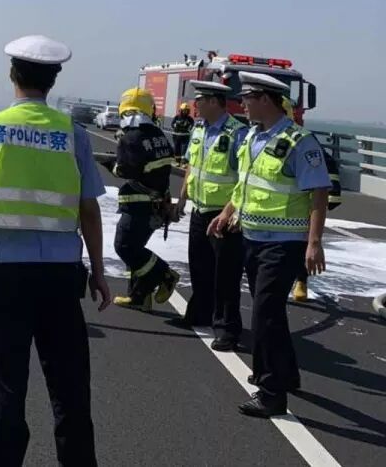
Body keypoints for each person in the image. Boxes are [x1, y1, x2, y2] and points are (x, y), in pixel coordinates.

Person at [0, 35, 110, 467]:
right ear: (53, 80)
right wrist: (99, 271)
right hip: (61, 278)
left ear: (12, 75)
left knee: (7, 391)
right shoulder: (73, 134)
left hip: (7, 275)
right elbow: (89, 210)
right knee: (70, 391)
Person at [207, 72, 330, 418]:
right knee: (271, 313)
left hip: (285, 244)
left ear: (265, 99)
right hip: (252, 238)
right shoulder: (251, 137)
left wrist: (314, 243)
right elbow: (244, 184)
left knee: (265, 314)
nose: (242, 104)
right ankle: (285, 374)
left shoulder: (298, 142)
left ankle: (271, 393)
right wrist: (227, 212)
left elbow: (319, 192)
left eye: (247, 98)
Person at [175, 80, 248, 350]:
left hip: (223, 214)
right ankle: (200, 312)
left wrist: (232, 211)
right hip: (200, 209)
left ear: (216, 102)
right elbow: (191, 166)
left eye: (201, 100)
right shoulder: (199, 129)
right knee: (199, 266)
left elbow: (244, 178)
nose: (195, 105)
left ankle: (227, 329)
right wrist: (182, 199)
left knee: (225, 275)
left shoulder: (237, 133)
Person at [110, 88, 180, 310]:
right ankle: (140, 296)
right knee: (137, 248)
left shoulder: (130, 138)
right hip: (156, 202)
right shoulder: (159, 135)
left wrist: (110, 164)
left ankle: (165, 274)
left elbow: (125, 170)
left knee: (125, 247)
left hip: (137, 203)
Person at [282, 97, 343, 302]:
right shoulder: (255, 138)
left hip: (300, 206)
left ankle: (301, 280)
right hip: (266, 211)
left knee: (301, 244)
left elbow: (327, 163)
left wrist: (333, 194)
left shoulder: (303, 140)